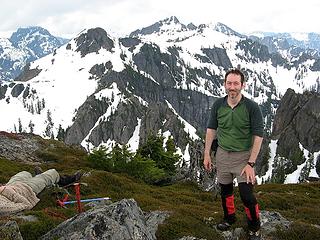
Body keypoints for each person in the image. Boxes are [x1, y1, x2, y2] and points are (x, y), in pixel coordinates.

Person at [203, 68, 264, 240]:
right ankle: (229, 217)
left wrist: (251, 163)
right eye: (229, 83)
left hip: (243, 157)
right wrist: (207, 154)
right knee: (225, 190)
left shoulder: (252, 107)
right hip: (222, 154)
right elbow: (211, 130)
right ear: (224, 85)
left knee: (246, 195)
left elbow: (258, 136)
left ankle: (254, 227)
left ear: (242, 85)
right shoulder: (218, 105)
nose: (232, 87)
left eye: (236, 83)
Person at [0, 168, 82, 217]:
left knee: (25, 173)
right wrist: (4, 190)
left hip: (12, 185)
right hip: (27, 189)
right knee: (52, 173)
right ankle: (68, 180)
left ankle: (39, 177)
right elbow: (26, 205)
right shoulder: (3, 209)